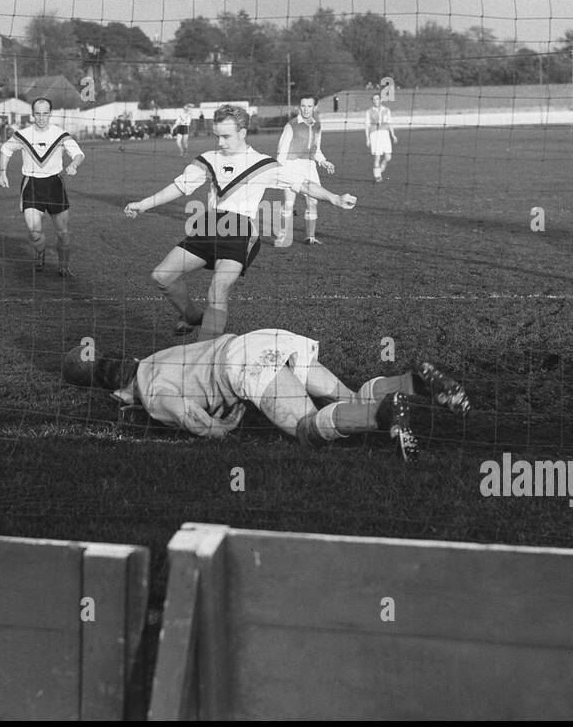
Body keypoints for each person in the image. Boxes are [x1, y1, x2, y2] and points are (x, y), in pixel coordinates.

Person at [123, 103, 356, 340]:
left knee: (218, 288)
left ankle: (207, 353)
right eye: (217, 136)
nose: (221, 142)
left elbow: (304, 184)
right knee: (162, 276)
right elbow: (180, 187)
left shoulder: (264, 164)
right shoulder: (208, 159)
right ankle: (192, 315)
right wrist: (144, 204)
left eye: (226, 136)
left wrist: (334, 198)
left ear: (242, 133)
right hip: (208, 226)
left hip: (240, 231)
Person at [62, 329, 470, 461]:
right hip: (262, 338)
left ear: (117, 393)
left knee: (308, 429)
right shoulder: (155, 357)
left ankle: (383, 417)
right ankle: (412, 383)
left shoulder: (150, 393)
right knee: (346, 395)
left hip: (244, 365)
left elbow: (193, 419)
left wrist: (223, 427)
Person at [0, 97, 84, 276]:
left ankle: (64, 266)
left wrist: (74, 164)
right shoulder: (23, 134)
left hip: (54, 185)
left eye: (45, 113)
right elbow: (6, 150)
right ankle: (40, 252)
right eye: (38, 113)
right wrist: (2, 172)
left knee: (63, 233)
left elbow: (78, 154)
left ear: (50, 114)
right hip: (31, 184)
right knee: (34, 232)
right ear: (32, 114)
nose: (41, 117)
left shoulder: (60, 134)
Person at [275, 94, 335, 246]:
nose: (306, 109)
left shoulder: (317, 126)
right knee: (289, 203)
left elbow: (316, 149)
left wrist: (323, 161)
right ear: (299, 107)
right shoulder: (291, 125)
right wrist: (280, 171)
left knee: (312, 203)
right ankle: (282, 236)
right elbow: (281, 150)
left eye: (309, 106)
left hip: (309, 167)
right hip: (291, 167)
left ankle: (310, 237)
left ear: (315, 107)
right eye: (303, 106)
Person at [365, 89, 397, 182]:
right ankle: (377, 176)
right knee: (377, 156)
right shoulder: (369, 112)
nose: (376, 101)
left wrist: (393, 135)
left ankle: (382, 166)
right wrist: (367, 139)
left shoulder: (386, 110)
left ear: (381, 100)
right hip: (374, 134)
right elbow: (367, 126)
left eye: (377, 99)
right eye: (374, 99)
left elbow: (390, 123)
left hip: (385, 134)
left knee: (388, 157)